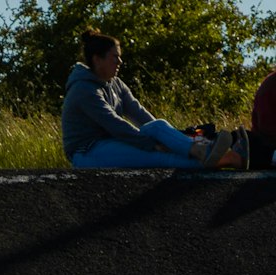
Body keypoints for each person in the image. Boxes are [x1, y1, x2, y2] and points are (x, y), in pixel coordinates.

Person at [61, 29, 235, 170]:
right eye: (115, 57)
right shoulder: (83, 89)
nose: (120, 62)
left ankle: (204, 151)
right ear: (97, 60)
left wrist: (169, 140)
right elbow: (114, 124)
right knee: (158, 157)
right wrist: (153, 144)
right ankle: (222, 158)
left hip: (111, 142)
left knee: (157, 125)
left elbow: (139, 113)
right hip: (87, 152)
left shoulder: (115, 83)